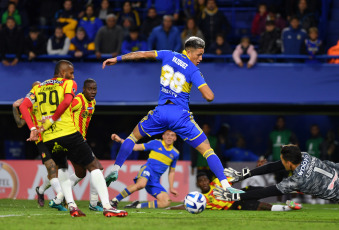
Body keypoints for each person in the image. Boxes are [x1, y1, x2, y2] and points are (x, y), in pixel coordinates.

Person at [102, 36, 243, 194]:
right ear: (189, 52)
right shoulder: (193, 70)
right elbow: (209, 96)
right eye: (199, 54)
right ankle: (226, 186)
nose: (201, 58)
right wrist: (202, 87)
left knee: (132, 137)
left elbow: (141, 54)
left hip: (160, 112)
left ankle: (115, 168)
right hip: (180, 116)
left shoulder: (167, 54)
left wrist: (117, 58)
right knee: (207, 150)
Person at [19, 60, 127, 218]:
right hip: (68, 133)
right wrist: (52, 120)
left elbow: (23, 106)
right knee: (95, 166)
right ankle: (106, 206)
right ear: (63, 73)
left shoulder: (38, 87)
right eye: (71, 73)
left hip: (49, 137)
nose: (73, 76)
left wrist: (33, 129)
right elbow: (68, 101)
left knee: (62, 169)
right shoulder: (69, 84)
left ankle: (71, 206)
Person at [216, 145, 339, 203]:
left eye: (282, 160)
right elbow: (274, 166)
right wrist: (246, 175)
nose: (280, 162)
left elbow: (266, 192)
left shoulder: (297, 180)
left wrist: (236, 197)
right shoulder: (305, 155)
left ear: (289, 163)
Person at [12, 81, 65, 211]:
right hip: (41, 140)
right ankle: (61, 198)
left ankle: (40, 190)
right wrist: (14, 107)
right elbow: (19, 123)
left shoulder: (48, 103)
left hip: (54, 137)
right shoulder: (29, 107)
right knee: (52, 168)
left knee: (55, 172)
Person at [110, 130, 179, 209]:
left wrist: (171, 188)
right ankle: (114, 200)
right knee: (141, 184)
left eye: (172, 135)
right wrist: (120, 140)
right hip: (148, 169)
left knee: (166, 202)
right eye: (167, 134)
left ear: (175, 138)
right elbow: (135, 147)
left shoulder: (175, 153)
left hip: (155, 180)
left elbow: (172, 172)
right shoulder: (156, 143)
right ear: (163, 136)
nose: (169, 137)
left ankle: (137, 206)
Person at [168, 172, 301, 211]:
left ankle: (291, 190)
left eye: (205, 180)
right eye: (201, 181)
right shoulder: (201, 199)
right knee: (262, 207)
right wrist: (171, 208)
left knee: (265, 190)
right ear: (197, 184)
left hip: (241, 193)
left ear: (209, 181)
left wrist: (256, 169)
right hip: (234, 205)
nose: (203, 182)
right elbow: (186, 206)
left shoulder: (217, 182)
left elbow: (238, 177)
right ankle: (288, 208)